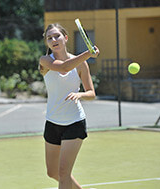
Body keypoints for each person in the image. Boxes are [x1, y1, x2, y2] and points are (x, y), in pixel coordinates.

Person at [39, 23, 100, 189]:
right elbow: (64, 67)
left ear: (65, 38)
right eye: (49, 38)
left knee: (64, 172)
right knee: (53, 173)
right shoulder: (45, 61)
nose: (53, 40)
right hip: (52, 122)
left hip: (74, 122)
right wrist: (89, 53)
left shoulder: (81, 64)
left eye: (57, 36)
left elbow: (91, 93)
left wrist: (80, 95)